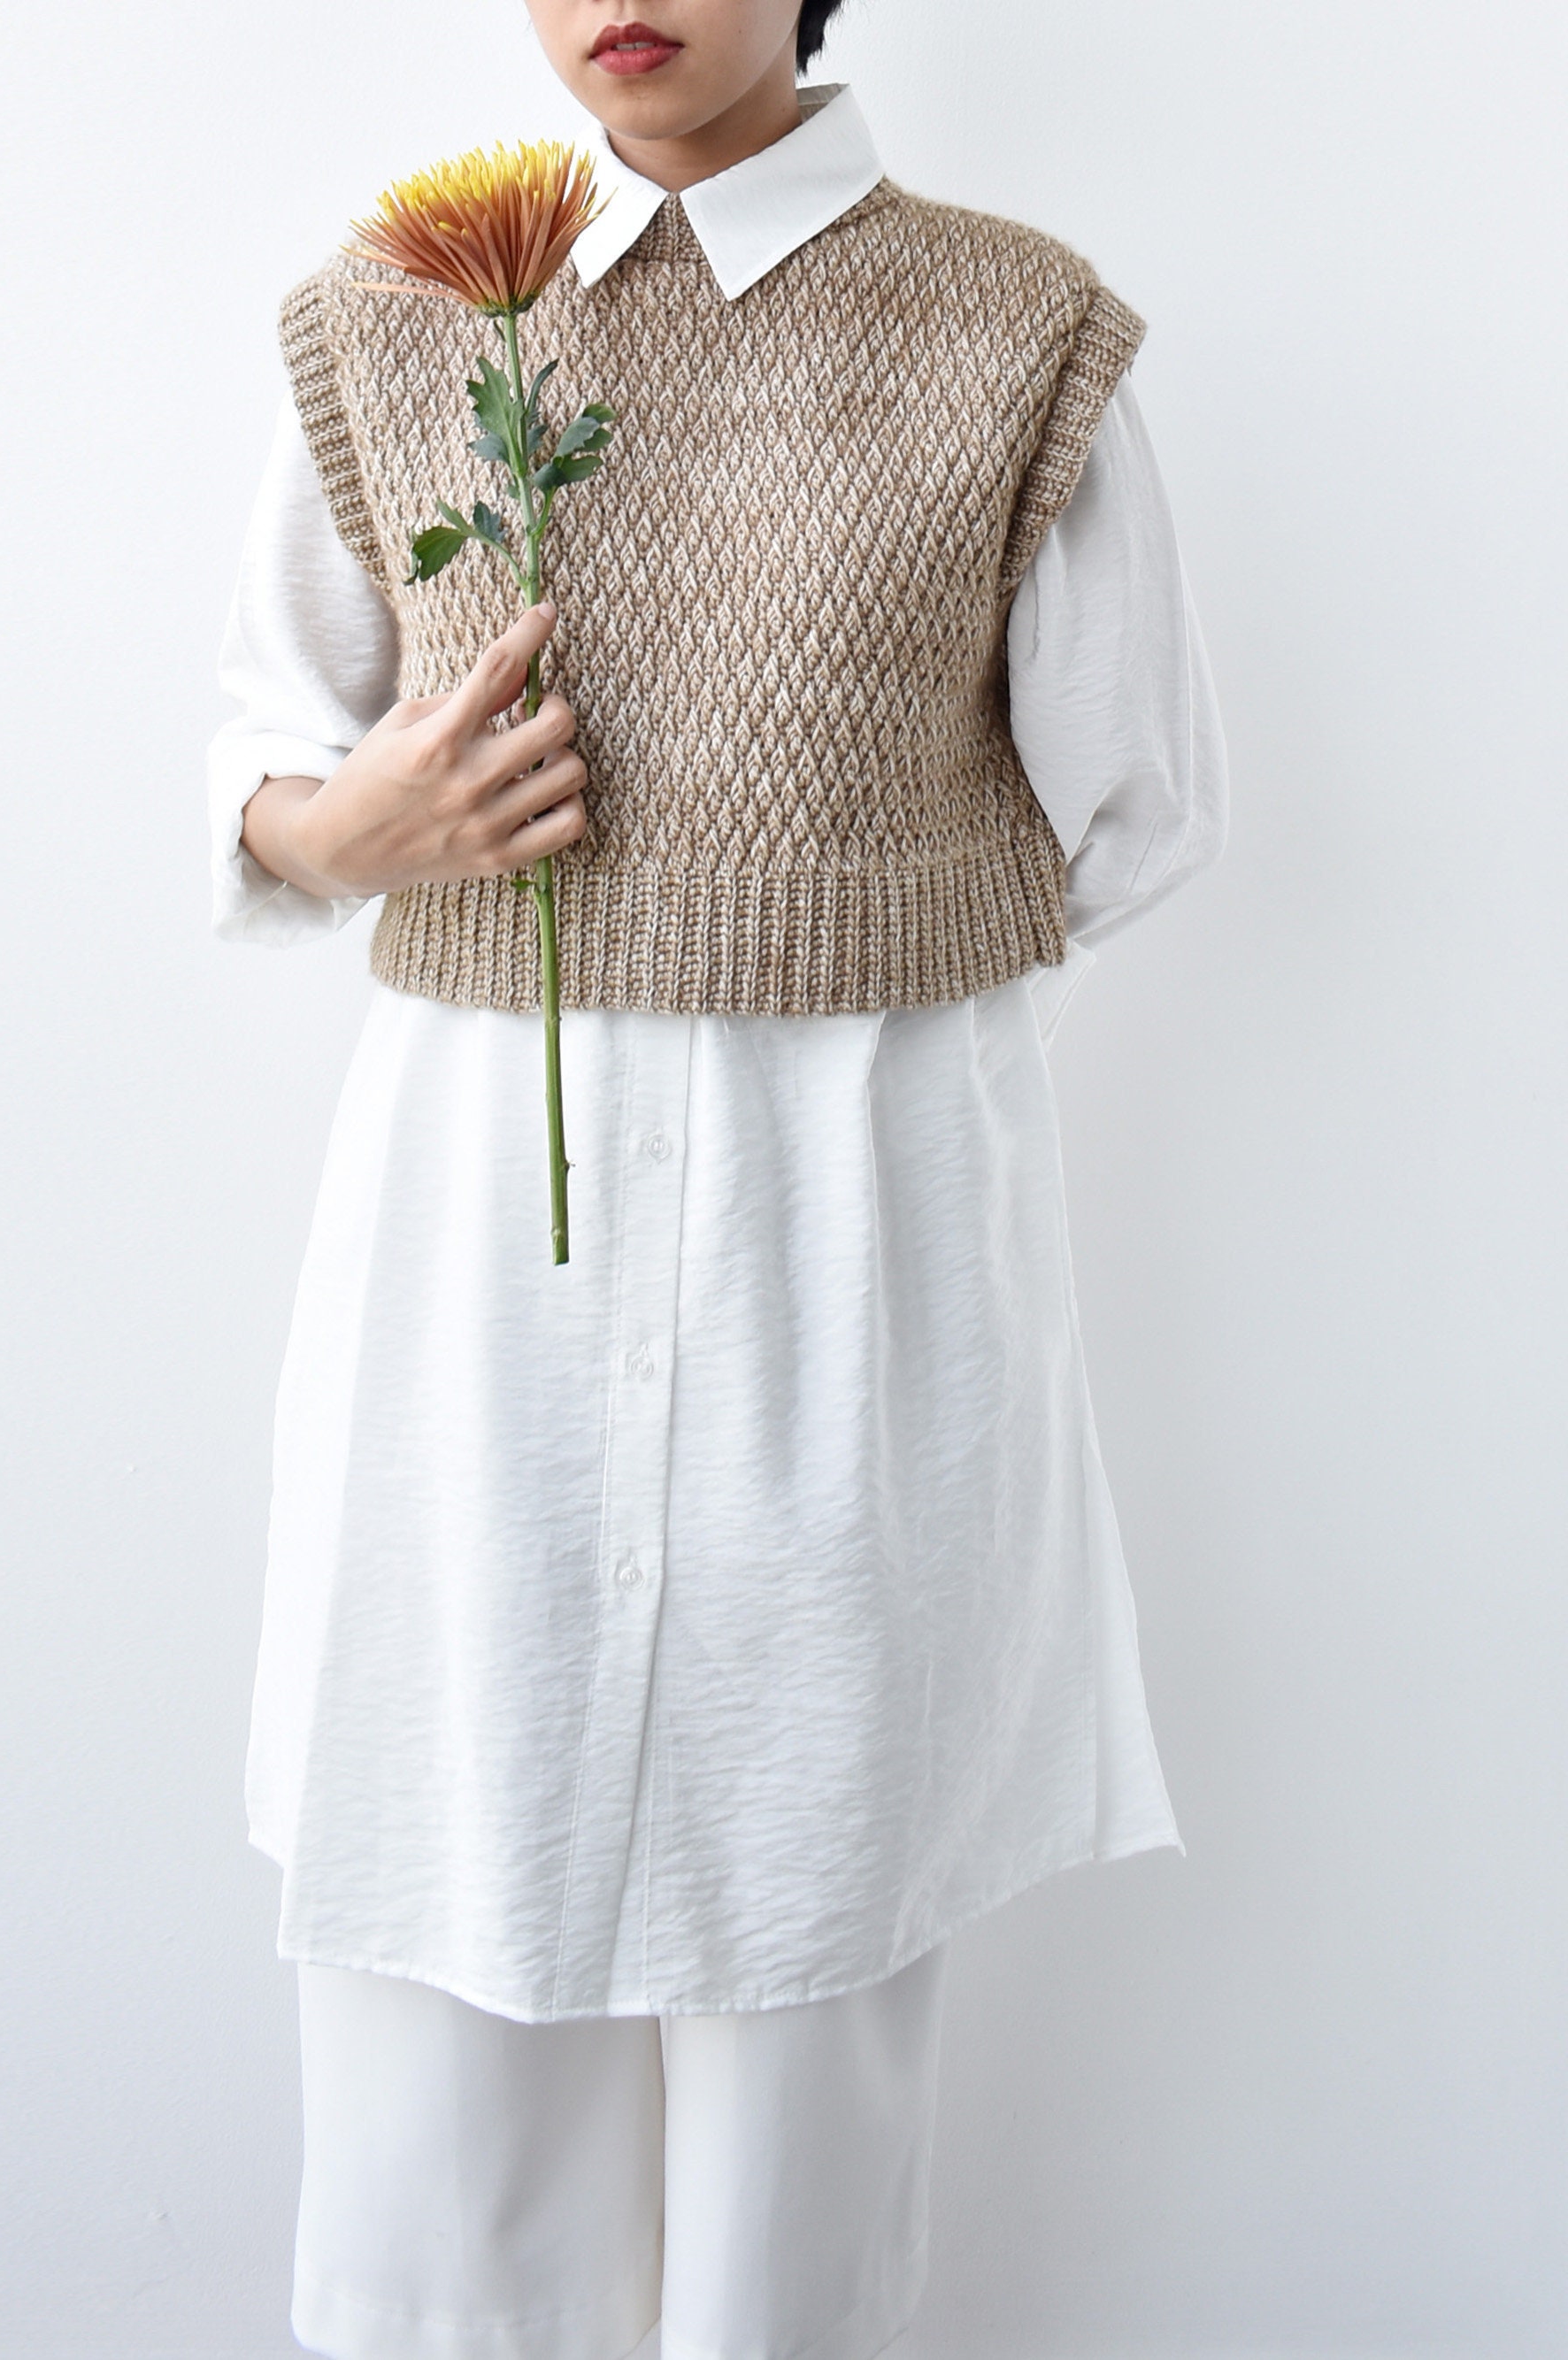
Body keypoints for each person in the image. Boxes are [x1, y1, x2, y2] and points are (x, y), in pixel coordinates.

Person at [207, 3, 1228, 2355]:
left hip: (853, 1237)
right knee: (447, 1941)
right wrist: (355, 833)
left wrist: (842, 942)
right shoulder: (393, 316)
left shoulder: (1014, 331)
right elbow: (267, 753)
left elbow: (1137, 808)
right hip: (478, 1253)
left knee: (808, 1965)